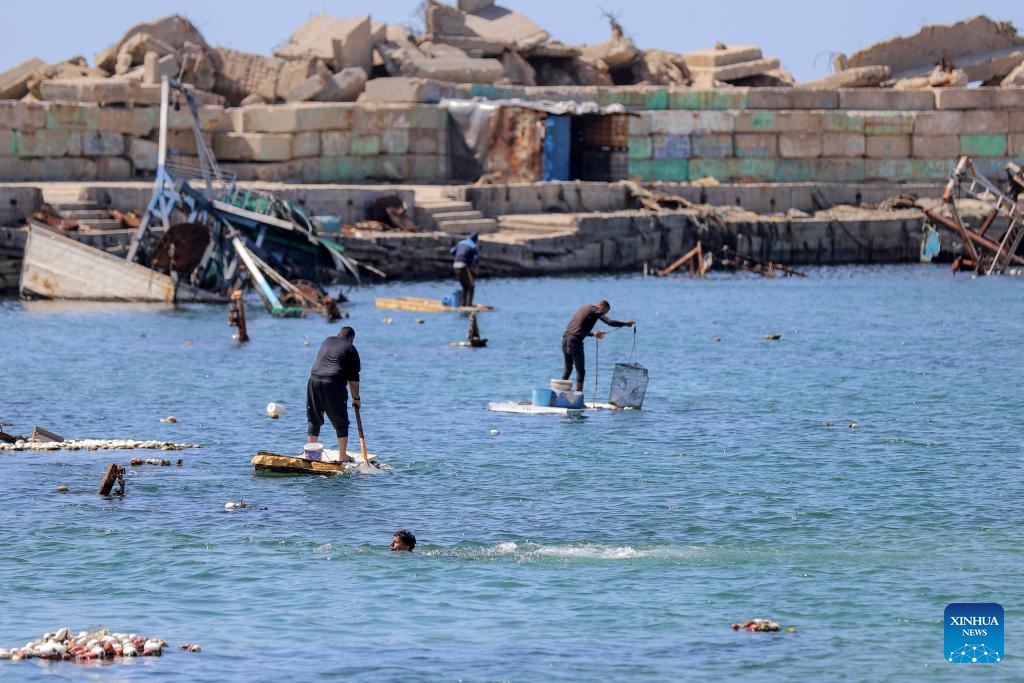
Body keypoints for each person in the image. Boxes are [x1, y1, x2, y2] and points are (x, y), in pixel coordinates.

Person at [306, 325, 361, 460]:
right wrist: (356, 398)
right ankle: (342, 457)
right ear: (351, 338)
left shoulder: (326, 341)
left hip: (313, 380)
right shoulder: (350, 348)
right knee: (341, 422)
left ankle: (312, 455)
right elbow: (353, 380)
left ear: (338, 334)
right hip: (333, 383)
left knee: (314, 418)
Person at [562, 300, 634, 392]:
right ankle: (578, 397)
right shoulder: (596, 310)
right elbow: (609, 322)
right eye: (605, 312)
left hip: (565, 339)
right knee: (580, 371)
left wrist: (593, 334)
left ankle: (561, 393)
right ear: (602, 307)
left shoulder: (585, 308)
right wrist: (625, 324)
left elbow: (577, 329)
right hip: (575, 342)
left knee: (568, 368)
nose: (604, 314)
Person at [450, 232, 480, 306]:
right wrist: (476, 268)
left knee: (465, 286)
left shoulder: (460, 243)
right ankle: (469, 305)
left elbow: (452, 251)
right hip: (464, 267)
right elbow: (476, 258)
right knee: (471, 286)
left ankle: (463, 304)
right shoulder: (473, 246)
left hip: (455, 266)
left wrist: (458, 256)